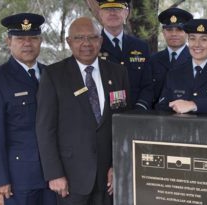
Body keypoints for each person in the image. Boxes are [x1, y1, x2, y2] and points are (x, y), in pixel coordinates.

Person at [36, 17, 130, 205]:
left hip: (108, 179)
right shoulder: (54, 75)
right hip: (71, 179)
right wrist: (55, 174)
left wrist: (117, 164)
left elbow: (123, 124)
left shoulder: (118, 73)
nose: (86, 43)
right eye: (79, 38)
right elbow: (45, 129)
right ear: (69, 42)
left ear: (101, 41)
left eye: (93, 37)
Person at [0, 13, 56, 205]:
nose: (27, 44)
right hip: (19, 179)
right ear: (9, 41)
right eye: (20, 39)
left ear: (40, 41)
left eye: (33, 38)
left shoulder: (51, 75)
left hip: (53, 176)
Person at [155, 19, 207, 114]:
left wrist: (193, 104)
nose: (197, 44)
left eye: (204, 39)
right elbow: (162, 106)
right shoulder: (174, 73)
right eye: (192, 38)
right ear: (188, 41)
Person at [97, 0, 153, 110]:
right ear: (100, 14)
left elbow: (148, 85)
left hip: (136, 115)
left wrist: (140, 108)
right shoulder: (93, 47)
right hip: (103, 117)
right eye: (107, 9)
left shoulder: (141, 47)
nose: (112, 13)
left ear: (126, 13)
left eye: (117, 8)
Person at [149, 7, 193, 105]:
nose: (174, 34)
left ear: (187, 33)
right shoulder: (153, 60)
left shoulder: (196, 59)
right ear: (163, 32)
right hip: (155, 115)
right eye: (169, 29)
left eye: (179, 29)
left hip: (187, 116)